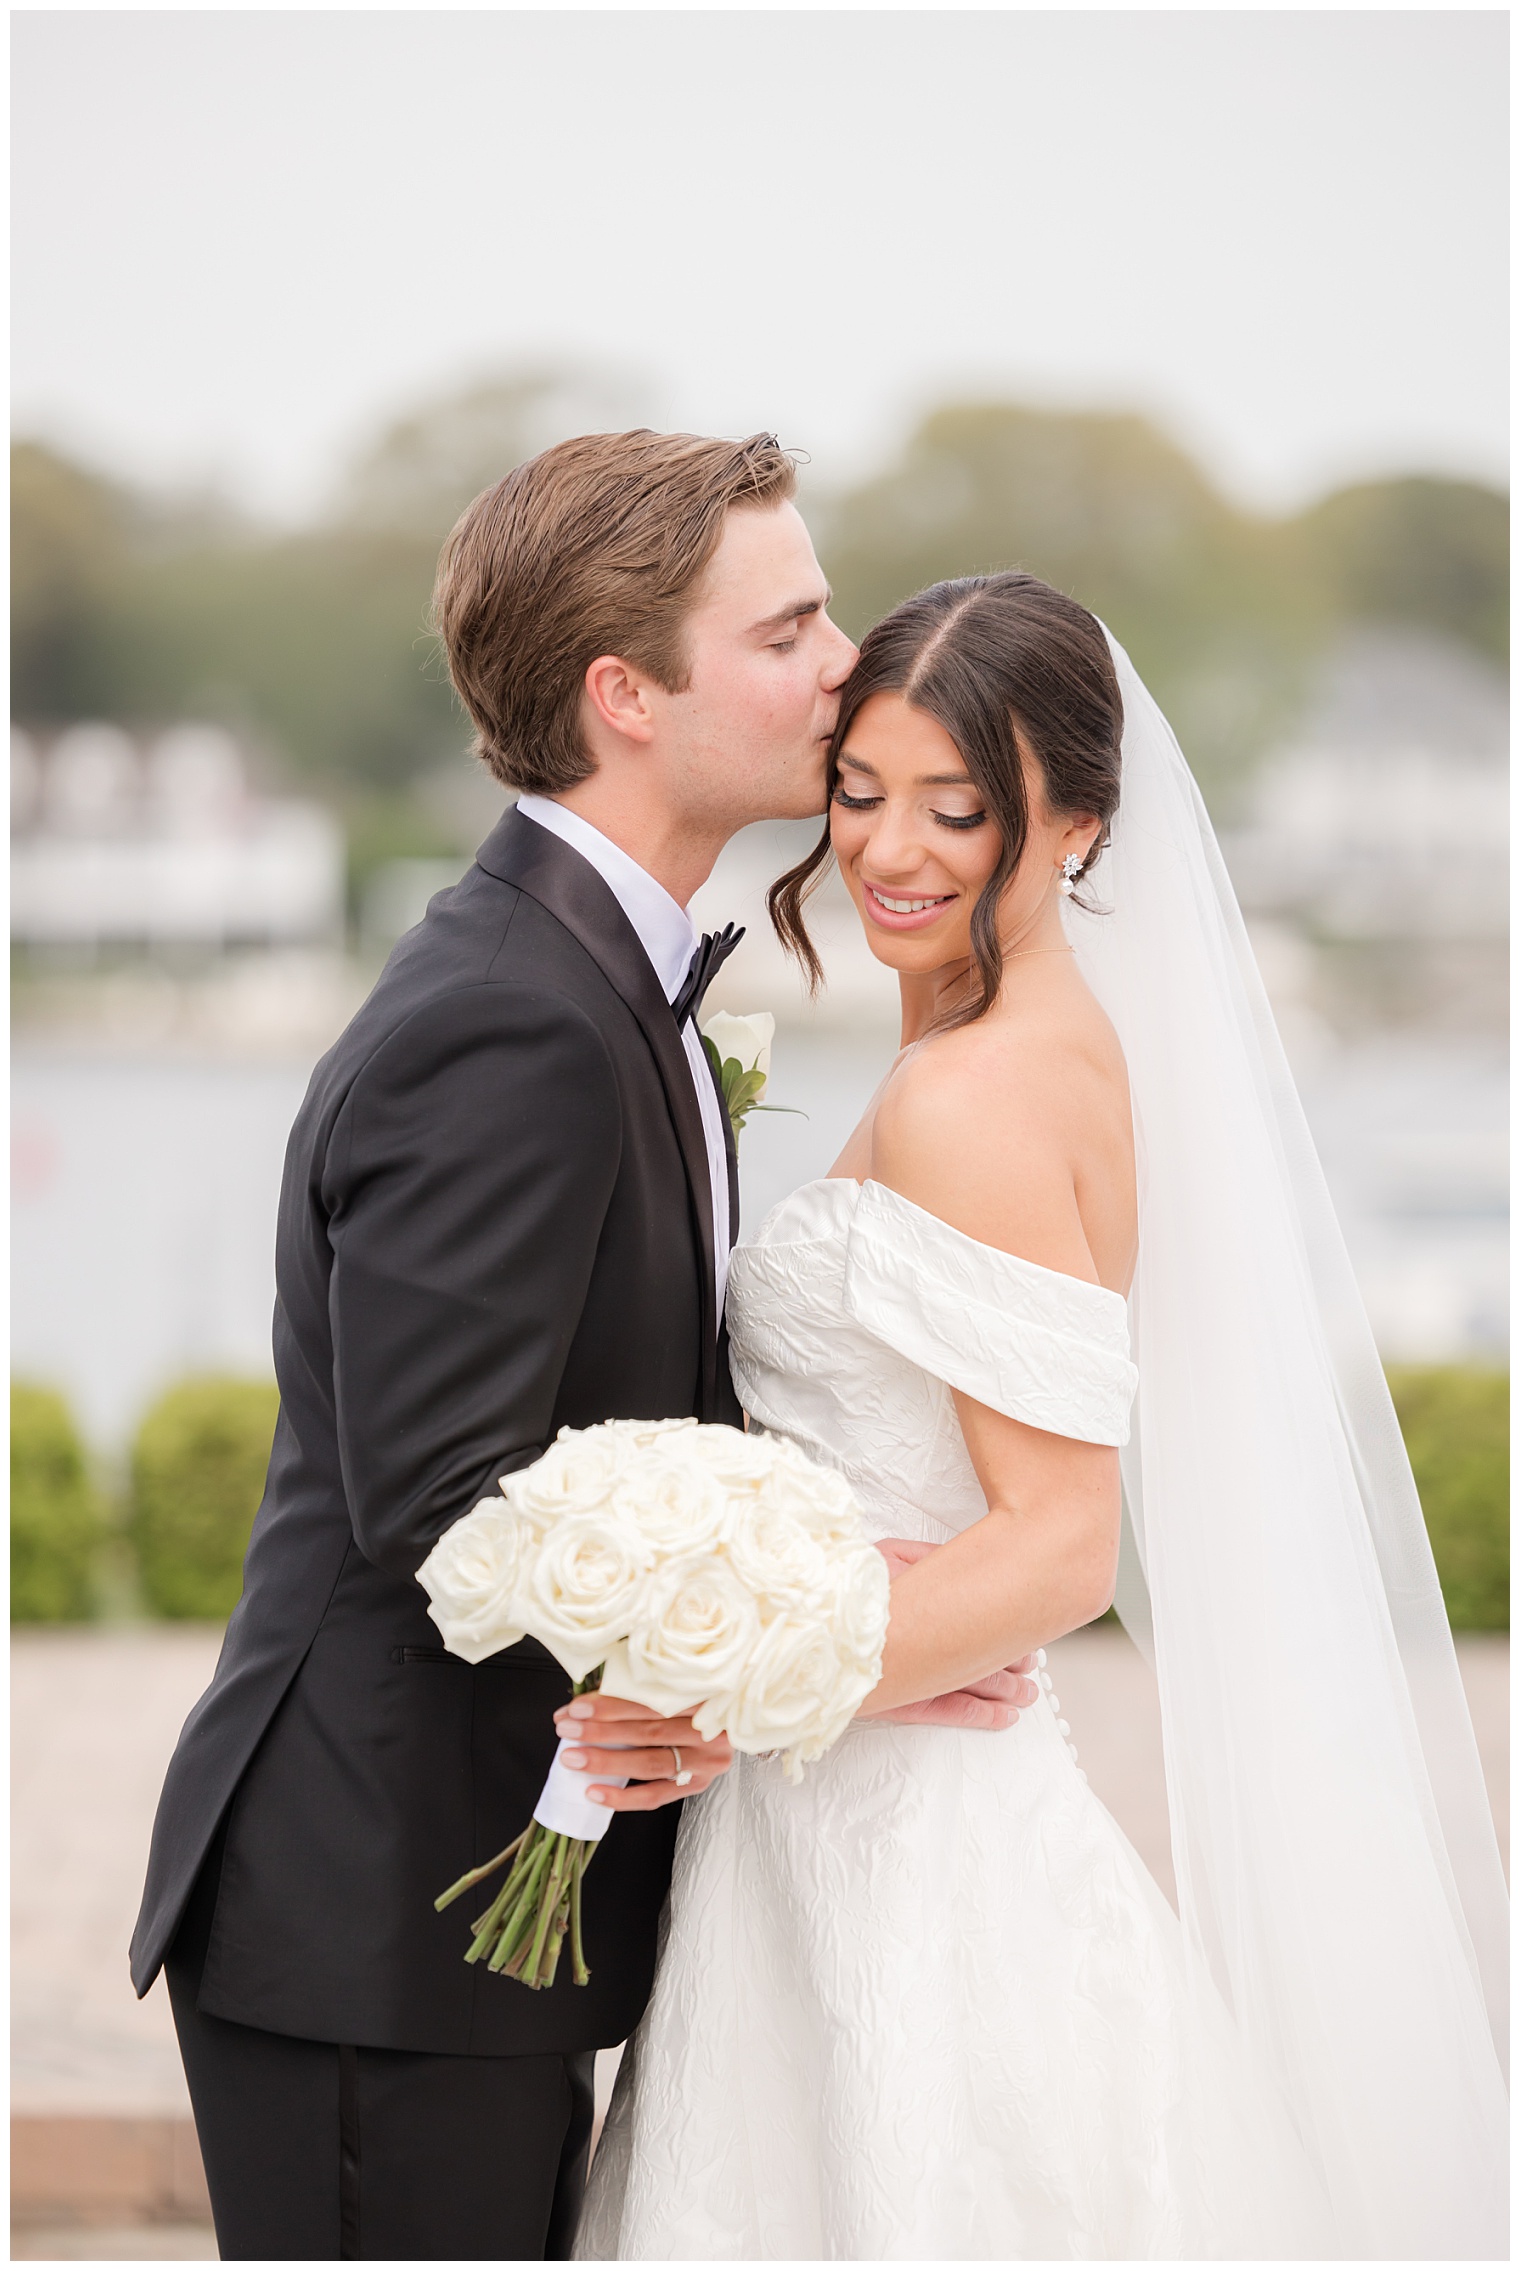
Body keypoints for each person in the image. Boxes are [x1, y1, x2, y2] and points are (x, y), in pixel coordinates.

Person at [129, 432, 1037, 2262]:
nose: (847, 660)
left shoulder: (598, 984)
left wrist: (846, 1633)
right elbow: (446, 1501)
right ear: (627, 695)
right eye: (788, 630)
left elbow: (631, 1421)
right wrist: (827, 1642)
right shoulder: (508, 1026)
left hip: (460, 1925)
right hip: (385, 1920)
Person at [572, 573, 1509, 2260]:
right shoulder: (1039, 1044)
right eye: (860, 793)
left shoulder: (978, 1092)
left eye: (961, 809)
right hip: (861, 1801)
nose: (890, 852)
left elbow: (1062, 1543)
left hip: (898, 1843)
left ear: (1078, 821)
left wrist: (732, 1691)